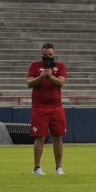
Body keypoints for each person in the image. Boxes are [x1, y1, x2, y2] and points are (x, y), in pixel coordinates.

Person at [26, 42, 67, 176]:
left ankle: (59, 167)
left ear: (54, 54)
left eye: (50, 55)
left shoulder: (60, 66)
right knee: (40, 137)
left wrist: (50, 76)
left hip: (56, 107)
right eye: (45, 55)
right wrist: (41, 76)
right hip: (39, 108)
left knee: (58, 137)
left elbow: (61, 82)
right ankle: (37, 168)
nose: (48, 57)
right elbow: (29, 83)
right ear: (41, 54)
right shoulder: (35, 66)